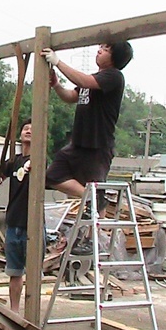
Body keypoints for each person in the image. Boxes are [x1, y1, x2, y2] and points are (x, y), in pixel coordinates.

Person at [40, 42, 133, 253]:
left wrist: (58, 62)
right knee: (52, 176)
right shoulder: (92, 79)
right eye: (100, 47)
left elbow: (83, 80)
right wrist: (57, 85)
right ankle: (90, 197)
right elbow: (70, 97)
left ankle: (92, 239)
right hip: (78, 144)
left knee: (96, 192)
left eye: (106, 49)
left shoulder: (114, 77)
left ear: (115, 57)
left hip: (98, 146)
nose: (99, 51)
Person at [0, 118, 43, 313]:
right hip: (13, 222)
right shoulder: (14, 161)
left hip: (33, 224)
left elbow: (46, 174)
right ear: (20, 134)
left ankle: (33, 312)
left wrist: (33, 166)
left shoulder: (41, 159)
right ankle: (14, 311)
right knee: (14, 271)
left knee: (34, 272)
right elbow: (0, 175)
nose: (28, 131)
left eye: (32, 129)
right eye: (25, 128)